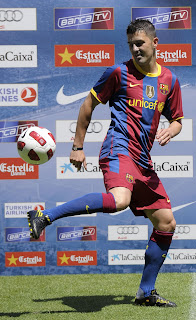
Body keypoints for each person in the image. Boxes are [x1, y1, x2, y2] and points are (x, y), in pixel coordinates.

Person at [27, 19, 183, 307]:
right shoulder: (118, 73)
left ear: (155, 43)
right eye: (131, 45)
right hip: (118, 149)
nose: (135, 49)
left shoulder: (169, 81)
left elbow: (177, 120)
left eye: (140, 43)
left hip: (142, 161)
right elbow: (88, 104)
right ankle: (45, 216)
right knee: (119, 200)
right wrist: (77, 147)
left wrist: (171, 130)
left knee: (166, 222)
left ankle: (145, 293)